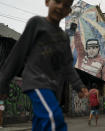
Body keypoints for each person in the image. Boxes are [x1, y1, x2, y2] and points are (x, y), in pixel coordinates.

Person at [0, 0, 88, 130]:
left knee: (41, 124)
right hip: (36, 81)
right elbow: (18, 52)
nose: (60, 7)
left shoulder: (63, 37)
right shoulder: (37, 23)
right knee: (54, 118)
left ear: (69, 12)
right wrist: (3, 81)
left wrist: (79, 86)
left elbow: (67, 66)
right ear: (47, 2)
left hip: (53, 88)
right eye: (57, 1)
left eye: (66, 5)